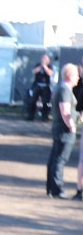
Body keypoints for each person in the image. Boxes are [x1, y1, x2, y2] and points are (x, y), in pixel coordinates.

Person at [44, 63, 79, 199]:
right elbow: (65, 111)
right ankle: (57, 189)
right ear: (70, 76)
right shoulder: (65, 89)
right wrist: (71, 126)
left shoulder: (60, 87)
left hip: (58, 128)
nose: (78, 78)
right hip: (64, 130)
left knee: (55, 157)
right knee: (60, 159)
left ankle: (51, 187)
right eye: (76, 75)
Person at [26, 54, 55, 121]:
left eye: (45, 59)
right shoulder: (38, 65)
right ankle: (31, 116)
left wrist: (45, 67)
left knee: (46, 102)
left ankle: (44, 116)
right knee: (32, 100)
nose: (44, 60)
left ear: (48, 60)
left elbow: (50, 73)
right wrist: (41, 66)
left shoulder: (49, 66)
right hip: (37, 85)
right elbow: (34, 71)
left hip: (46, 86)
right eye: (43, 59)